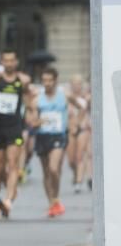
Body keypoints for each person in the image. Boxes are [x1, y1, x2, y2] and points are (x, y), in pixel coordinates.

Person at [0, 50, 32, 218]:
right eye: (6, 61)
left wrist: (32, 113)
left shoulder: (23, 80)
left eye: (12, 60)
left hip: (14, 127)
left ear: (16, 62)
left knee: (13, 165)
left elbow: (30, 97)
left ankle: (8, 200)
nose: (9, 63)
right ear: (2, 62)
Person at [29, 67, 77, 217]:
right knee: (46, 172)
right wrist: (38, 122)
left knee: (54, 168)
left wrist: (75, 123)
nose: (47, 83)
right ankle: (51, 202)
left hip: (58, 136)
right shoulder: (37, 99)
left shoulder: (65, 95)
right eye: (44, 80)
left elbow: (81, 107)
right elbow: (32, 121)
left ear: (55, 80)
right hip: (43, 137)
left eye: (50, 80)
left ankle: (56, 197)